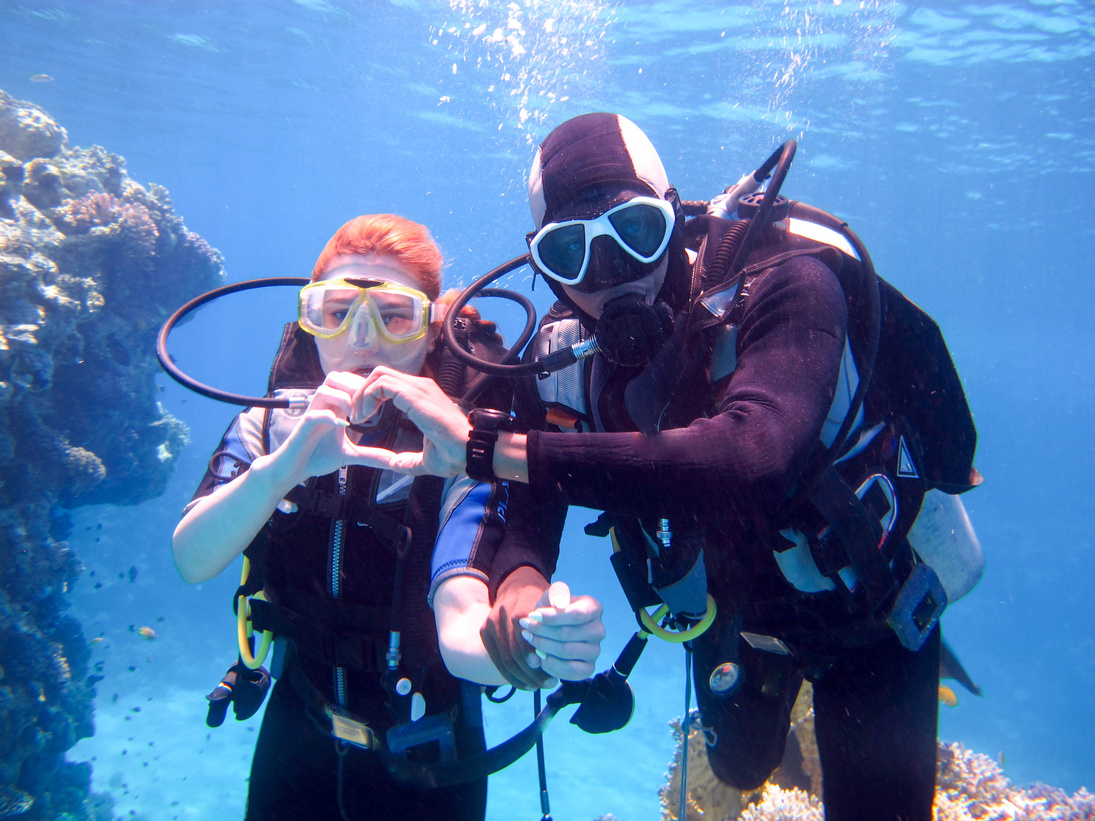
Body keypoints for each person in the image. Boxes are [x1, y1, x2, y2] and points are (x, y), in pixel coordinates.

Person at [341, 115, 981, 821]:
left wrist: (490, 448)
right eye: (570, 251)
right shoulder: (559, 362)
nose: (609, 275)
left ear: (672, 216)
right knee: (738, 768)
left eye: (634, 232)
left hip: (868, 613)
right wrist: (522, 588)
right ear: (541, 263)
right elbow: (528, 511)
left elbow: (753, 455)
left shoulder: (786, 281)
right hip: (730, 618)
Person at [171, 214, 605, 821]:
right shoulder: (266, 428)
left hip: (430, 757)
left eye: (394, 316)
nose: (361, 340)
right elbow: (193, 559)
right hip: (297, 737)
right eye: (336, 311)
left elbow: (461, 628)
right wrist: (280, 471)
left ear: (430, 333)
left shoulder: (456, 449)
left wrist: (533, 648)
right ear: (309, 320)